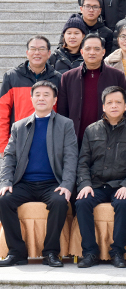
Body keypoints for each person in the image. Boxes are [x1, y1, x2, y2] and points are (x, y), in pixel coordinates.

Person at [0, 81, 77, 267]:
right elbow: (9, 157)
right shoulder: (19, 126)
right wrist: (6, 182)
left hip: (52, 183)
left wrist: (67, 185)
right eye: (38, 95)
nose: (41, 98)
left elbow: (71, 157)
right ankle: (17, 252)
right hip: (24, 183)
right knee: (4, 200)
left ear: (55, 100)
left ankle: (50, 253)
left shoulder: (65, 124)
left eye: (46, 95)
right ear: (31, 98)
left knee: (60, 201)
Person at [74, 86, 126, 268]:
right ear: (103, 106)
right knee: (82, 203)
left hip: (121, 185)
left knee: (122, 203)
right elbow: (83, 162)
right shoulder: (91, 131)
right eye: (110, 102)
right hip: (96, 184)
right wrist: (85, 184)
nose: (114, 106)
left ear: (125, 106)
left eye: (118, 102)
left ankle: (118, 253)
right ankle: (90, 252)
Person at [57, 34, 126, 149]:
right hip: (75, 138)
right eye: (88, 49)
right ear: (82, 52)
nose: (92, 52)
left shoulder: (117, 76)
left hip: (108, 139)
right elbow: (62, 111)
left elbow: (124, 108)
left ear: (103, 52)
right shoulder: (68, 77)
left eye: (97, 49)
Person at [0, 36, 62, 154]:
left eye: (42, 49)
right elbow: (2, 112)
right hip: (19, 140)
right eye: (33, 49)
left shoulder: (57, 78)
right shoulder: (12, 77)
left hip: (49, 141)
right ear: (27, 53)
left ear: (49, 53)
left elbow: (62, 111)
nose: (37, 53)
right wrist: (3, 145)